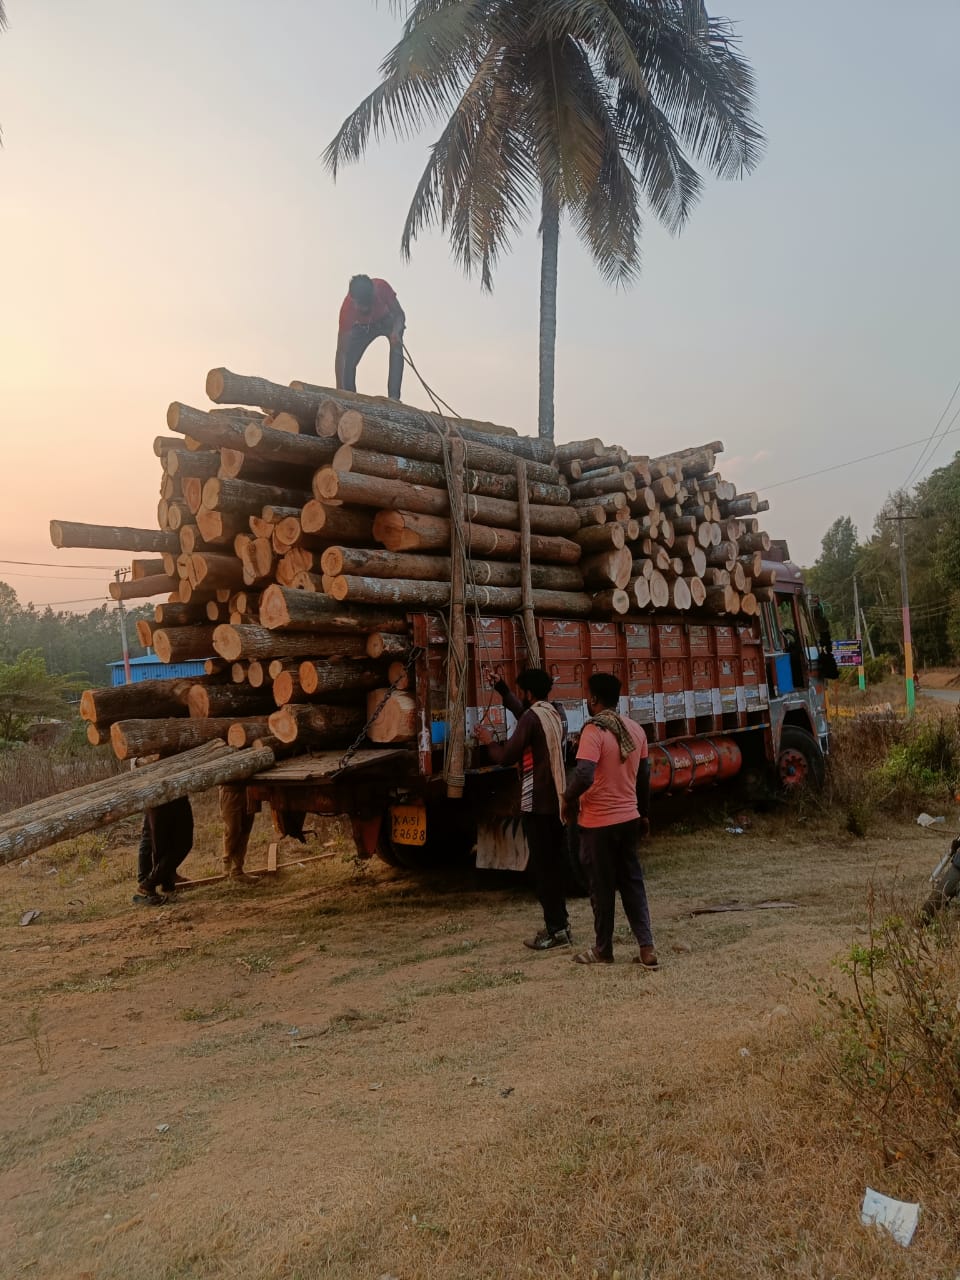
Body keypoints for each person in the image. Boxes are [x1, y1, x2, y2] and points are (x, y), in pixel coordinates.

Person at [562, 672, 658, 968]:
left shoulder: (593, 732)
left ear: (593, 700)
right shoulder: (634, 731)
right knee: (632, 883)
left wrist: (568, 798)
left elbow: (585, 774)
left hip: (597, 824)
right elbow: (643, 778)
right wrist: (643, 814)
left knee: (601, 888)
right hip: (629, 818)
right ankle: (647, 948)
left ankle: (603, 950)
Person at [474, 668, 572, 951]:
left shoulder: (532, 718)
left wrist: (488, 741)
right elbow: (526, 715)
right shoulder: (555, 714)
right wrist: (502, 688)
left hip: (537, 805)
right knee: (554, 867)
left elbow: (506, 757)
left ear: (528, 693)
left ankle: (555, 929)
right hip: (557, 802)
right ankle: (562, 925)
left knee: (543, 871)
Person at [335, 274, 406, 400]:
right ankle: (350, 397)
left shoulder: (382, 287)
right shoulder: (347, 310)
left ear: (373, 293)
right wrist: (340, 392)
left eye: (369, 303)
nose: (366, 308)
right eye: (362, 306)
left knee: (396, 345)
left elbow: (399, 315)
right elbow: (341, 353)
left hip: (386, 321)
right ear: (354, 301)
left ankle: (394, 398)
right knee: (349, 360)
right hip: (361, 328)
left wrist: (396, 331)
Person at [133, 794, 194, 906]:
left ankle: (156, 883)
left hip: (154, 793)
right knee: (181, 843)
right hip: (164, 793)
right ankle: (150, 883)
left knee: (152, 838)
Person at [220, 783, 259, 884]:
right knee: (233, 828)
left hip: (249, 788)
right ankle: (227, 863)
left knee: (246, 829)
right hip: (230, 789)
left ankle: (237, 871)